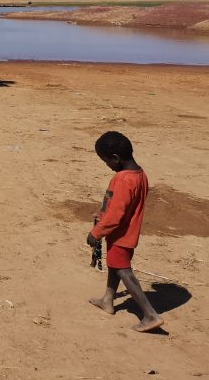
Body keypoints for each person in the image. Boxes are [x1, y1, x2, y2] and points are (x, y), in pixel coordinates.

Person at [86, 131, 164, 332]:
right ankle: (108, 300)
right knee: (115, 266)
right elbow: (120, 207)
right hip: (127, 233)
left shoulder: (122, 180)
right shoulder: (140, 175)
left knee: (123, 271)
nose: (107, 166)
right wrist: (102, 213)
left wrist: (96, 233)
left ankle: (150, 314)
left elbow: (116, 216)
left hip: (120, 235)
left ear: (115, 159)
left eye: (105, 161)